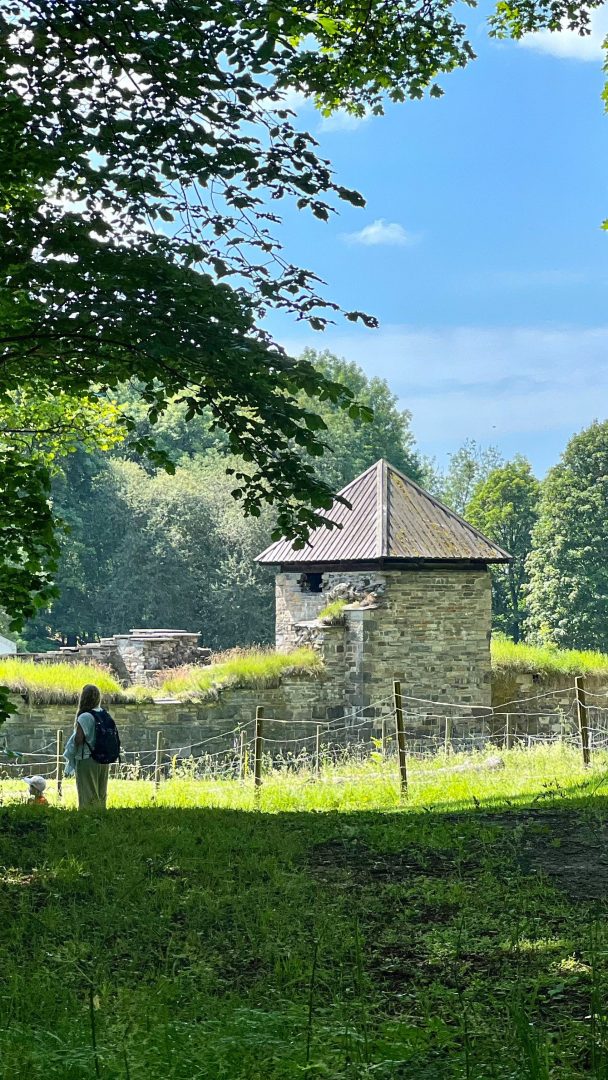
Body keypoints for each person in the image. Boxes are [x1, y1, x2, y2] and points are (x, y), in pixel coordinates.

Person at [65, 683, 110, 811]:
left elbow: (79, 739)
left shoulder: (85, 716)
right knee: (101, 793)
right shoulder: (103, 714)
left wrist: (70, 747)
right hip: (103, 758)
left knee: (87, 794)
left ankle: (87, 821)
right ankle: (101, 817)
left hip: (87, 758)